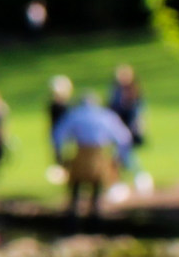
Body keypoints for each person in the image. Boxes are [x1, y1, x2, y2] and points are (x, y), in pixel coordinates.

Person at [52, 89, 132, 220]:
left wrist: (59, 155)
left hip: (81, 155)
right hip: (99, 156)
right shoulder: (106, 116)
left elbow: (57, 135)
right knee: (97, 186)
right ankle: (95, 215)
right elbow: (124, 138)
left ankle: (73, 216)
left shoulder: (75, 115)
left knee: (76, 186)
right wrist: (119, 157)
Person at [107, 66, 146, 175]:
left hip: (129, 126)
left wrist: (136, 127)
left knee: (126, 153)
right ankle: (127, 174)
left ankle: (138, 174)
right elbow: (111, 108)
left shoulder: (134, 91)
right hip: (117, 125)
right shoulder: (115, 91)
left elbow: (138, 111)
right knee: (120, 153)